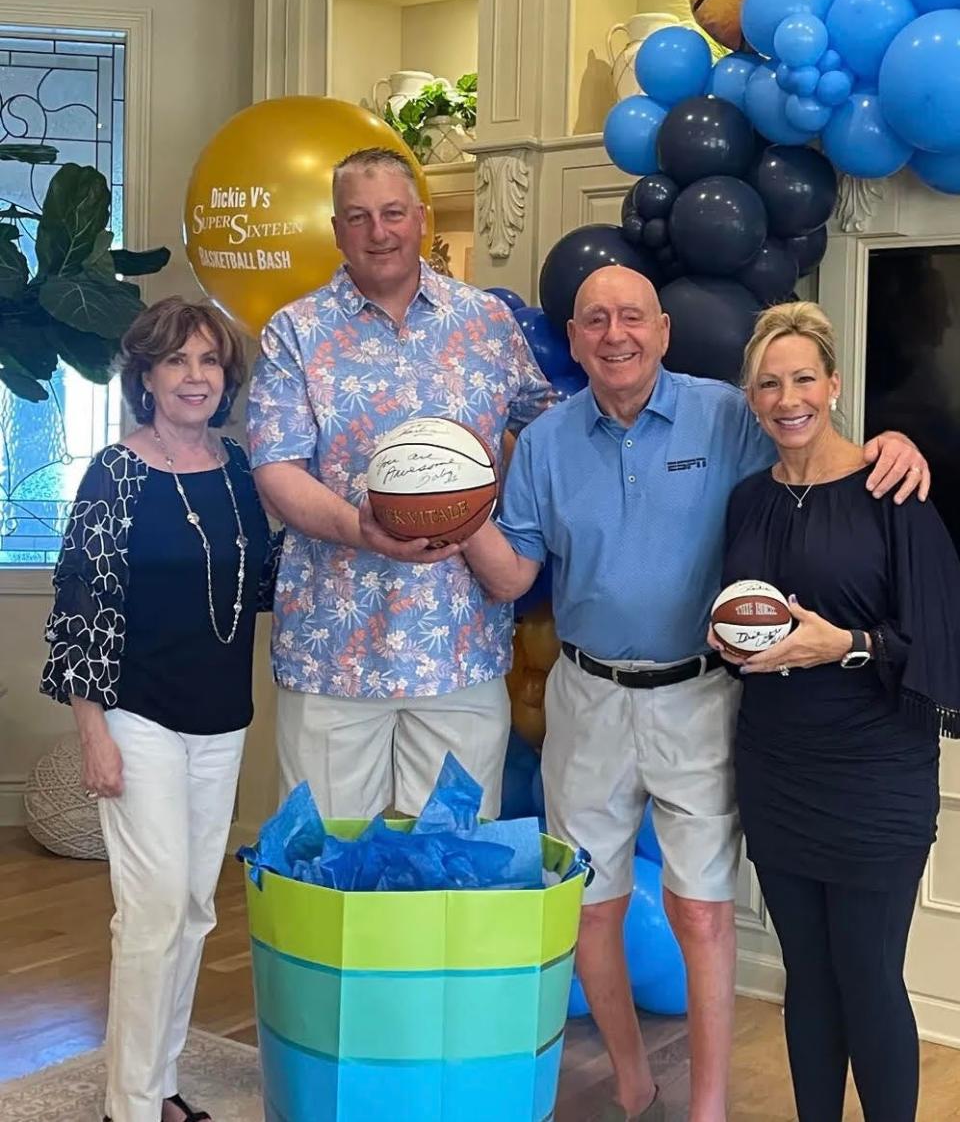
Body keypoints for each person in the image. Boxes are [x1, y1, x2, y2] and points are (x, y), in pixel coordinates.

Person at [459, 266, 929, 1122]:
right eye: (594, 319)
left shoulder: (726, 412)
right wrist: (453, 518)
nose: (615, 334)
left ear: (664, 330)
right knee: (591, 910)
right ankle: (635, 1083)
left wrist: (885, 447)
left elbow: (812, 456)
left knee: (704, 912)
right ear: (573, 340)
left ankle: (708, 1108)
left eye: (632, 316)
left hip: (702, 695)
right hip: (587, 695)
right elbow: (514, 575)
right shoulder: (549, 442)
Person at [708, 301, 960, 1122]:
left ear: (835, 383)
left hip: (876, 773)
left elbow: (937, 643)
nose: (789, 397)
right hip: (778, 766)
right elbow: (731, 618)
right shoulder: (747, 500)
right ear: (752, 398)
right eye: (770, 383)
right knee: (805, 976)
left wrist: (845, 643)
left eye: (804, 378)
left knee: (867, 973)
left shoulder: (896, 490)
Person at [247, 146, 551, 821]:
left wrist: (502, 515)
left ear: (421, 217)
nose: (377, 231)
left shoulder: (486, 323)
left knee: (456, 869)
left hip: (460, 647)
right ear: (336, 229)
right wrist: (360, 528)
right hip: (333, 652)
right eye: (358, 216)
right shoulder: (295, 332)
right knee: (323, 865)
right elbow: (275, 469)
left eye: (391, 213)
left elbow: (549, 432)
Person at [41, 298, 279, 1122]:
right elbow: (81, 606)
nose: (194, 376)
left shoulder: (242, 466)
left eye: (209, 362)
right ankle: (129, 1104)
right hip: (137, 714)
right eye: (176, 361)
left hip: (223, 717)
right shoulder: (116, 472)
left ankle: (161, 1079)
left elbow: (264, 583)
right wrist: (92, 732)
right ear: (145, 376)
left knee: (194, 907)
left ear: (226, 378)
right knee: (150, 911)